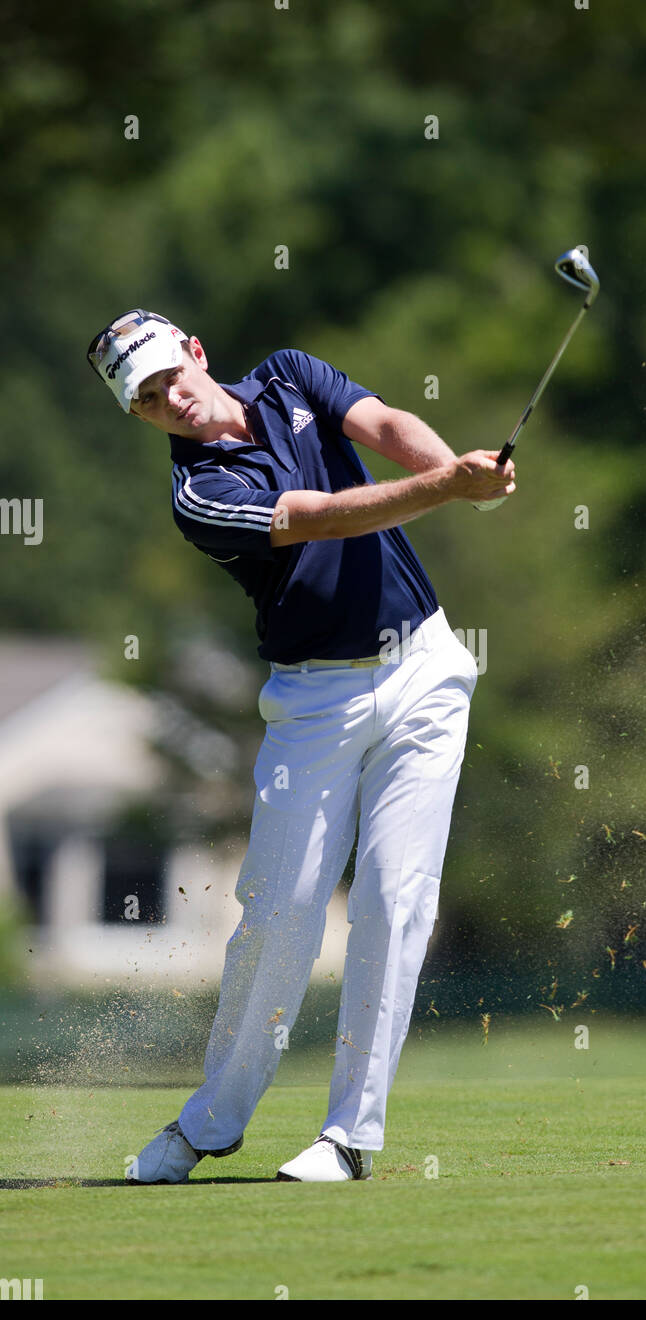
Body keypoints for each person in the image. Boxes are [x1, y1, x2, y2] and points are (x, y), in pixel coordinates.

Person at [86, 308, 515, 1182]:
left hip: (425, 667)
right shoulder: (197, 496)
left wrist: (449, 467)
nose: (176, 401)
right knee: (279, 917)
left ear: (198, 353)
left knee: (398, 900)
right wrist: (445, 491)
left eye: (175, 377)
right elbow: (319, 518)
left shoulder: (289, 373)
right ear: (140, 417)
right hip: (314, 701)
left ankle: (352, 1137)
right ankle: (211, 1122)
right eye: (153, 401)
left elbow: (384, 423)